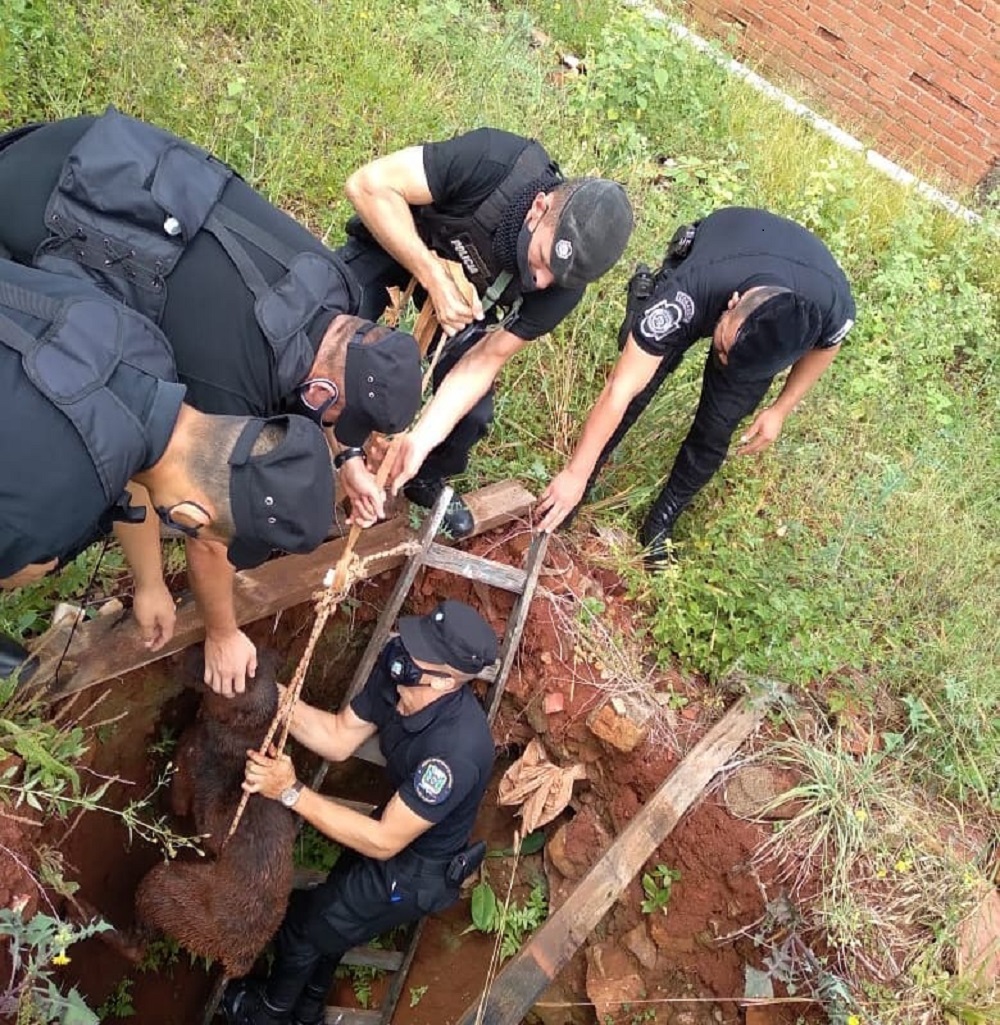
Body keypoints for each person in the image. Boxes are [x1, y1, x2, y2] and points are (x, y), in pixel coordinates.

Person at [0, 110, 423, 692]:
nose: (333, 428)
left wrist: (343, 463)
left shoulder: (334, 287)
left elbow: (135, 442)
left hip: (82, 153)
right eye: (334, 419)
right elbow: (138, 477)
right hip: (31, 206)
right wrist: (212, 625)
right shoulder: (54, 508)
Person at [0, 260, 335, 639]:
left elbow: (135, 461)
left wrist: (150, 582)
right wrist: (12, 568)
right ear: (190, 517)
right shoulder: (45, 522)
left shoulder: (146, 345)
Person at [336, 127, 635, 538]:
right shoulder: (493, 162)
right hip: (401, 247)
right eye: (544, 259)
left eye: (557, 279)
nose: (542, 281)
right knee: (331, 315)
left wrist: (419, 440)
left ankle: (423, 477)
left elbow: (485, 360)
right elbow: (368, 185)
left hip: (464, 310)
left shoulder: (563, 289)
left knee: (471, 415)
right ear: (538, 208)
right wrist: (432, 275)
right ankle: (316, 436)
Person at [224, 599, 498, 1025]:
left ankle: (268, 1013)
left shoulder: (457, 753)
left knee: (303, 925)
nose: (403, 654)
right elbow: (337, 737)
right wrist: (269, 694)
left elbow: (385, 841)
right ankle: (308, 1012)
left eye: (418, 653)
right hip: (389, 826)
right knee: (331, 924)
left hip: (414, 871)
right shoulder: (397, 671)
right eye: (411, 641)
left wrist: (291, 792)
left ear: (446, 682)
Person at [536, 206, 856, 565]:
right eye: (722, 348)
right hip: (725, 251)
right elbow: (620, 389)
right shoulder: (691, 290)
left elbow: (828, 346)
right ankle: (581, 488)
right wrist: (574, 474)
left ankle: (660, 522)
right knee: (641, 385)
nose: (723, 361)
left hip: (793, 279)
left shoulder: (831, 307)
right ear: (732, 304)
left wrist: (780, 408)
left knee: (719, 425)